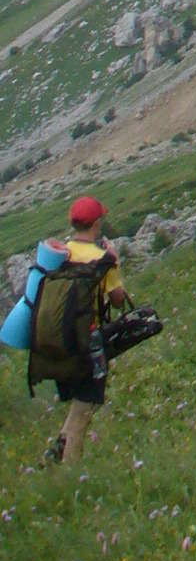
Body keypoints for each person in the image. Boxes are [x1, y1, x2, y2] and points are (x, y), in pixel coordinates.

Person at [31, 195, 129, 467]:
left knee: (79, 406)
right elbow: (118, 300)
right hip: (88, 343)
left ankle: (53, 457)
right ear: (96, 223)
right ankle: (70, 473)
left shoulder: (59, 255)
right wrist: (115, 262)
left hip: (58, 345)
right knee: (84, 409)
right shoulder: (101, 259)